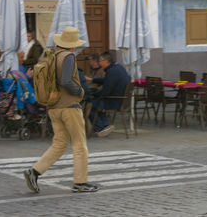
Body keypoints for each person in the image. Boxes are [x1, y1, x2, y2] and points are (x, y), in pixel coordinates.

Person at [23, 27, 99, 193]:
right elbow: (66, 81)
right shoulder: (69, 56)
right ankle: (80, 183)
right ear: (72, 45)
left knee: (59, 144)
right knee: (79, 145)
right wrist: (80, 91)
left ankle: (34, 172)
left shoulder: (51, 55)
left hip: (53, 106)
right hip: (69, 107)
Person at [86, 52, 130, 137]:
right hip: (120, 99)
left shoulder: (112, 72)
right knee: (96, 103)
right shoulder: (117, 67)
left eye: (100, 61)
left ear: (106, 61)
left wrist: (93, 94)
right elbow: (106, 80)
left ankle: (100, 129)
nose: (99, 63)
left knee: (89, 104)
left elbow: (106, 91)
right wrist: (92, 80)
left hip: (114, 101)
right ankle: (106, 125)